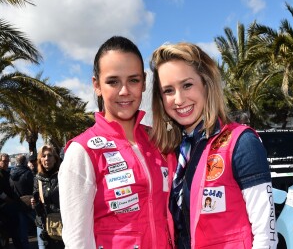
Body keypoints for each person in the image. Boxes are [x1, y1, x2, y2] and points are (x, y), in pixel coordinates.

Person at [150, 42, 278, 249]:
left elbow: (266, 235)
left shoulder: (242, 142)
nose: (179, 99)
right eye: (168, 90)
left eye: (187, 85)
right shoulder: (172, 152)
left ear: (206, 84)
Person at [58, 36, 173, 249]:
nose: (124, 91)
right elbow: (77, 241)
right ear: (97, 85)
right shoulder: (82, 152)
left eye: (133, 80)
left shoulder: (160, 141)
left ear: (144, 82)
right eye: (113, 81)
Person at [31, 145, 64, 249]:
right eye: (43, 156)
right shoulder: (38, 178)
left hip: (62, 224)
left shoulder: (63, 175)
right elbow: (38, 205)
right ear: (40, 159)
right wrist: (35, 203)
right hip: (43, 225)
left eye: (49, 155)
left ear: (55, 158)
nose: (47, 158)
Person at [10, 154, 35, 249]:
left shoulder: (11, 174)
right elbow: (33, 188)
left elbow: (11, 188)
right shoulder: (28, 173)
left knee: (23, 229)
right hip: (29, 203)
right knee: (39, 225)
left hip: (19, 204)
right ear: (25, 162)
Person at [0, 153, 23, 248]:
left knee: (12, 230)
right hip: (3, 206)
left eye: (7, 161)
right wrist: (8, 199)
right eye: (4, 161)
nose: (6, 163)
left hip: (9, 205)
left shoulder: (8, 172)